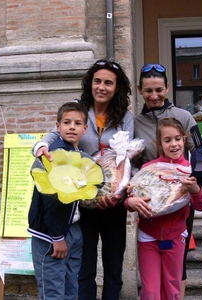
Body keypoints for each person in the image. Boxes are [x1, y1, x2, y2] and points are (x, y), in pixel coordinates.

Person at [32, 59, 133, 300]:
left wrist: (116, 194)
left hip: (112, 202)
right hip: (82, 203)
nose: (102, 87)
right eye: (97, 81)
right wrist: (40, 145)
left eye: (108, 83)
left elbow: (126, 157)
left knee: (113, 265)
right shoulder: (78, 110)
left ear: (116, 87)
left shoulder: (124, 116)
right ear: (90, 83)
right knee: (83, 268)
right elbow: (54, 135)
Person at [135, 63, 202, 298]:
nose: (154, 96)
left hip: (180, 199)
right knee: (152, 271)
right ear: (139, 90)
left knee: (178, 262)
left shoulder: (184, 117)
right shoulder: (136, 123)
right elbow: (133, 162)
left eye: (159, 90)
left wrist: (195, 188)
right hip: (150, 203)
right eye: (148, 91)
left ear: (167, 88)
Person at [124, 117, 202, 299]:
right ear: (160, 144)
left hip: (176, 236)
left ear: (184, 139)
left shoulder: (191, 170)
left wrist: (195, 190)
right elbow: (131, 199)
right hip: (148, 236)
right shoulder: (149, 169)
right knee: (150, 291)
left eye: (177, 138)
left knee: (172, 289)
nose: (174, 144)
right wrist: (130, 202)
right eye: (167, 140)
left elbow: (201, 205)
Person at [28, 101, 89, 299]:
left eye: (78, 123)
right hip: (51, 235)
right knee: (53, 292)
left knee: (72, 290)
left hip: (73, 229)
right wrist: (57, 236)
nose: (72, 127)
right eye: (67, 122)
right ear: (57, 127)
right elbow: (51, 199)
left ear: (85, 129)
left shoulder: (78, 154)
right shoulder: (55, 154)